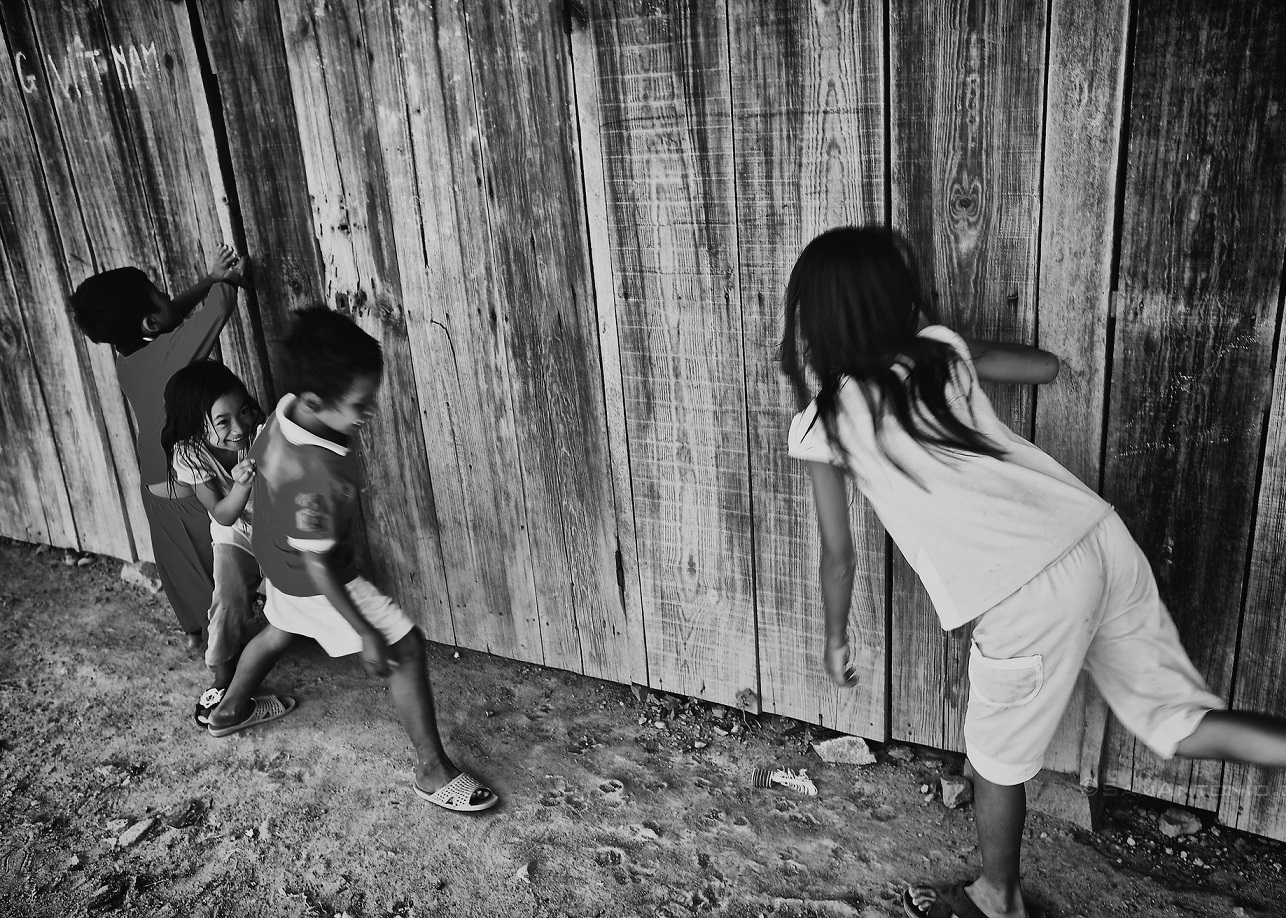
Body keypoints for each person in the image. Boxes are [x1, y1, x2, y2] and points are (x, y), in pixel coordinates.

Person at [779, 226, 1286, 918]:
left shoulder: (825, 425)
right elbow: (1038, 366)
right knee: (1180, 720)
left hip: (1026, 590)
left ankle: (998, 896)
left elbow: (839, 556)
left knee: (994, 758)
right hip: (1097, 536)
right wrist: (983, 349)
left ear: (817, 320)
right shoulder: (942, 356)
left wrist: (836, 638)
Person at [206, 306, 499, 814]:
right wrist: (364, 631)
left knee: (278, 628)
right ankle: (432, 771)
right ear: (318, 400)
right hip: (313, 575)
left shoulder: (289, 405)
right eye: (360, 405)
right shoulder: (313, 475)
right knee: (404, 647)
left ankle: (230, 711)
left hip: (277, 558)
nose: (369, 413)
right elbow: (321, 567)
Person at [69, 247, 247, 648]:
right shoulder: (167, 357)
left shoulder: (128, 358)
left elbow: (167, 319)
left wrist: (206, 276)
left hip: (154, 479)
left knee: (178, 564)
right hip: (180, 481)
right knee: (213, 561)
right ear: (149, 321)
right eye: (161, 293)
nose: (171, 297)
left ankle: (195, 633)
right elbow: (216, 309)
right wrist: (225, 279)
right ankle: (225, 650)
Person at [162, 361, 265, 726]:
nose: (239, 427)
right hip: (235, 529)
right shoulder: (190, 453)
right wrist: (242, 486)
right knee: (227, 601)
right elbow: (222, 514)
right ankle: (223, 678)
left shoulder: (263, 433)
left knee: (291, 596)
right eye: (223, 422)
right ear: (196, 426)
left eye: (243, 412)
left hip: (277, 524)